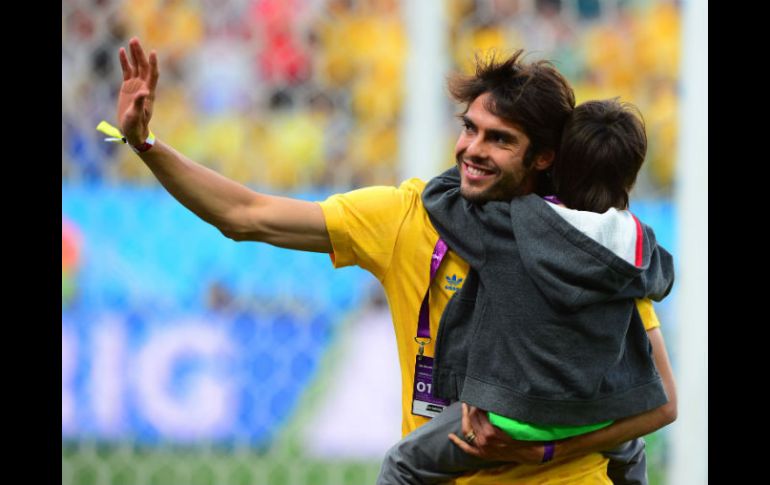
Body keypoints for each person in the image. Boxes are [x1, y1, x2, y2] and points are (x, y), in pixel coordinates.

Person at [109, 38, 677, 484]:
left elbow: (661, 400)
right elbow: (246, 213)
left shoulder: (581, 246)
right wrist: (146, 144)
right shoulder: (407, 217)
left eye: (499, 139)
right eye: (469, 129)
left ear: (544, 157)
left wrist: (547, 448)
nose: (472, 150)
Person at [376, 99, 674, 485]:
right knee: (629, 447)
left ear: (553, 163)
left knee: (403, 463)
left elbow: (439, 197)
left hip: (513, 412)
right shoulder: (636, 244)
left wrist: (481, 159)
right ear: (630, 179)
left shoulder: (511, 225)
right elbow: (663, 278)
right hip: (592, 410)